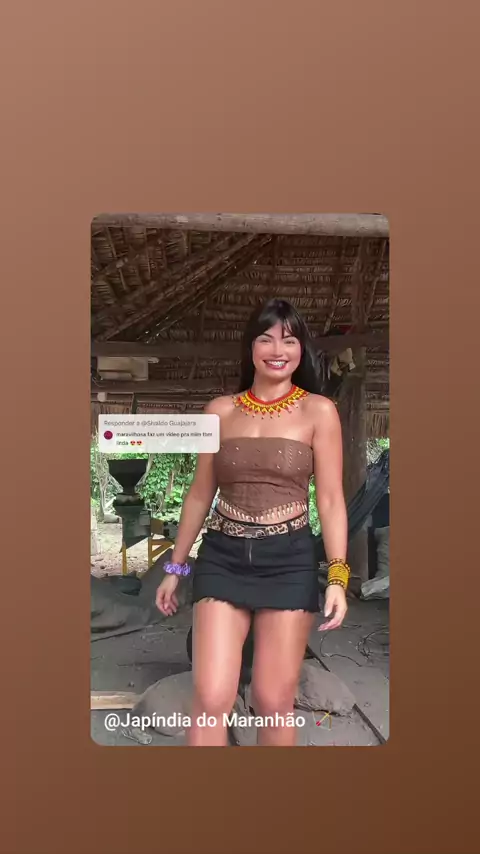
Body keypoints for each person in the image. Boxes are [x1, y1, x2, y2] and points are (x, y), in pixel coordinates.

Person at [156, 299, 349, 746]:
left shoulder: (319, 411)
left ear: (301, 350)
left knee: (272, 699)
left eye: (289, 340)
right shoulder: (219, 412)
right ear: (250, 348)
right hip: (222, 557)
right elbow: (199, 494)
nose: (277, 350)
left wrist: (338, 576)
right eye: (266, 339)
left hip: (288, 561)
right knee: (211, 697)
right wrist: (175, 567)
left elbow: (331, 499)